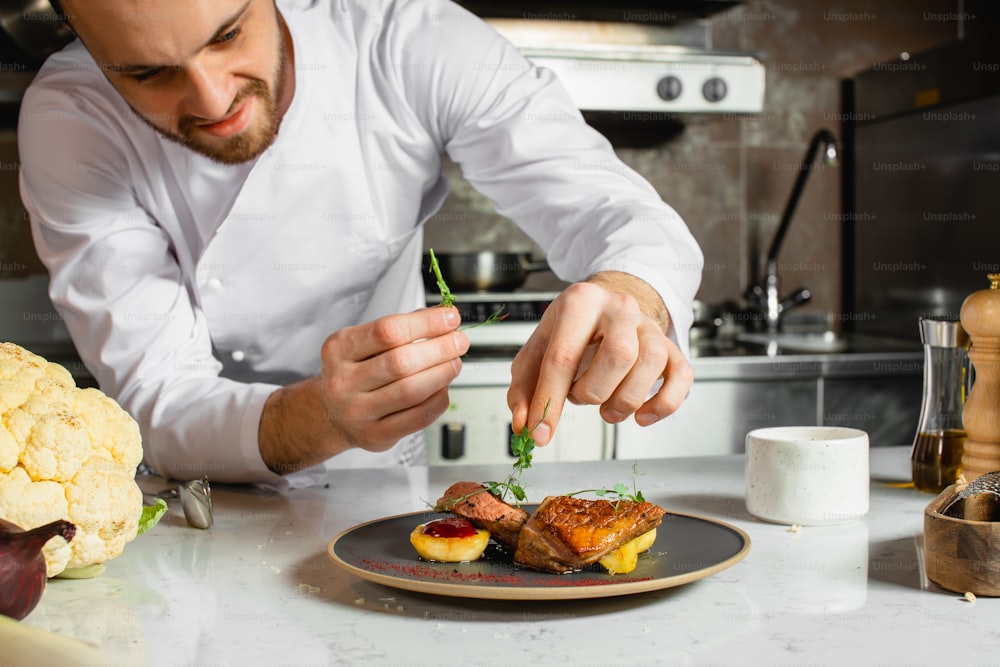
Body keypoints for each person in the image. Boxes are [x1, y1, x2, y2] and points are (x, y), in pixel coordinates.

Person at [19, 0, 703, 487]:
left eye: (227, 35)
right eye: (146, 74)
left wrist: (629, 293)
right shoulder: (72, 117)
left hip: (372, 490)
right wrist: (318, 415)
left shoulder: (408, 43)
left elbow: (619, 212)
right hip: (195, 502)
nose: (210, 97)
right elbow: (158, 398)